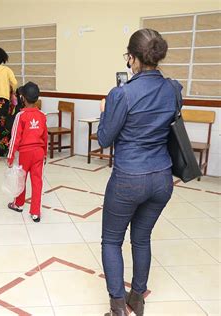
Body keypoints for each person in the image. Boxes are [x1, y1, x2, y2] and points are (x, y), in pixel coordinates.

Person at [98, 29, 179, 316]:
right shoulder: (174, 89)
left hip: (129, 178)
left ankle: (118, 308)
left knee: (111, 240)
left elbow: (105, 138)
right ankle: (137, 299)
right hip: (162, 178)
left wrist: (106, 111)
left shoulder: (122, 93)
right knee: (142, 238)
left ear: (132, 59)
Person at [7, 82, 47, 222]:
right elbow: (45, 137)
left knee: (21, 179)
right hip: (39, 153)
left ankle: (18, 204)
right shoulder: (42, 115)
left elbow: (15, 138)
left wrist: (10, 156)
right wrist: (45, 154)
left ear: (23, 98)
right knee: (37, 182)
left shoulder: (20, 116)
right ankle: (35, 212)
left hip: (25, 153)